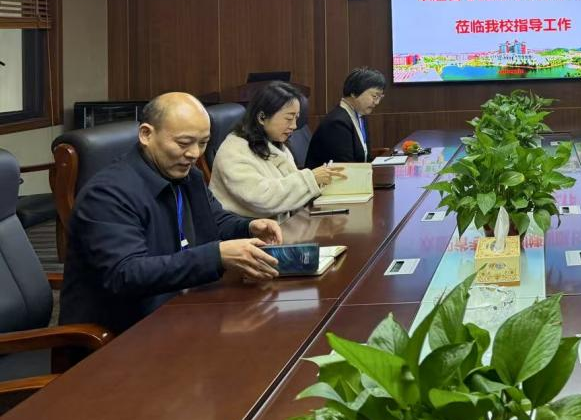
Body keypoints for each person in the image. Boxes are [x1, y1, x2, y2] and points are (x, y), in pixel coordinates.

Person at [60, 93, 285, 334]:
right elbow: (126, 274)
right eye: (184, 143)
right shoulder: (107, 194)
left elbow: (213, 220)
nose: (195, 154)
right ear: (146, 134)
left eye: (203, 143)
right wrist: (215, 257)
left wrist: (248, 227)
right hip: (122, 334)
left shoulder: (189, 177)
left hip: (180, 312)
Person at [210, 81, 345, 222]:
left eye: (296, 118)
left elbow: (289, 187)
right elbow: (262, 198)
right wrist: (311, 179)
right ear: (262, 117)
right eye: (289, 118)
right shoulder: (233, 151)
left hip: (281, 226)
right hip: (246, 232)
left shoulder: (275, 144)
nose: (294, 126)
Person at [305, 67, 388, 167]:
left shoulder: (360, 116)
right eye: (375, 96)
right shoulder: (337, 123)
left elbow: (365, 156)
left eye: (380, 97)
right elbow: (345, 166)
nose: (377, 102)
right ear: (354, 92)